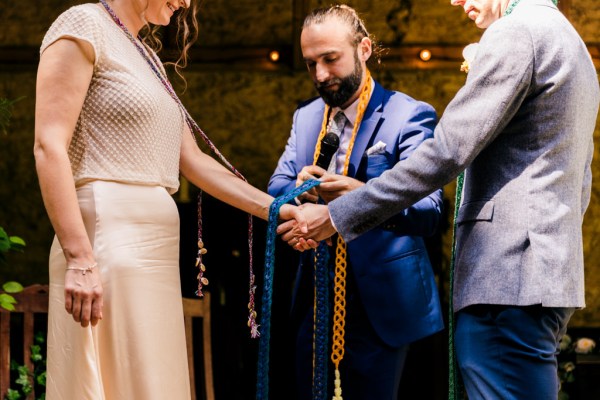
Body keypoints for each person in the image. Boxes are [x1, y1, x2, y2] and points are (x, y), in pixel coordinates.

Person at [280, 0, 600, 398]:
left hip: (506, 276)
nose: (455, 1)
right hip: (540, 272)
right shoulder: (568, 38)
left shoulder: (518, 32)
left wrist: (340, 213)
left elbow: (446, 151)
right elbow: (579, 174)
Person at [33, 0, 305, 398]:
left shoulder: (148, 57)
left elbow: (194, 161)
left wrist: (279, 210)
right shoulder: (83, 24)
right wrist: (79, 257)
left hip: (155, 255)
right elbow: (48, 146)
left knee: (153, 382)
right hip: (106, 244)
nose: (186, 3)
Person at [268, 5, 444, 399]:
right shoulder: (306, 117)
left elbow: (429, 211)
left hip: (382, 301)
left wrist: (354, 193)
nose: (321, 75)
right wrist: (303, 192)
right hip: (314, 299)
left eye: (331, 59)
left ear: (364, 49)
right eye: (311, 63)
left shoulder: (410, 115)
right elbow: (277, 184)